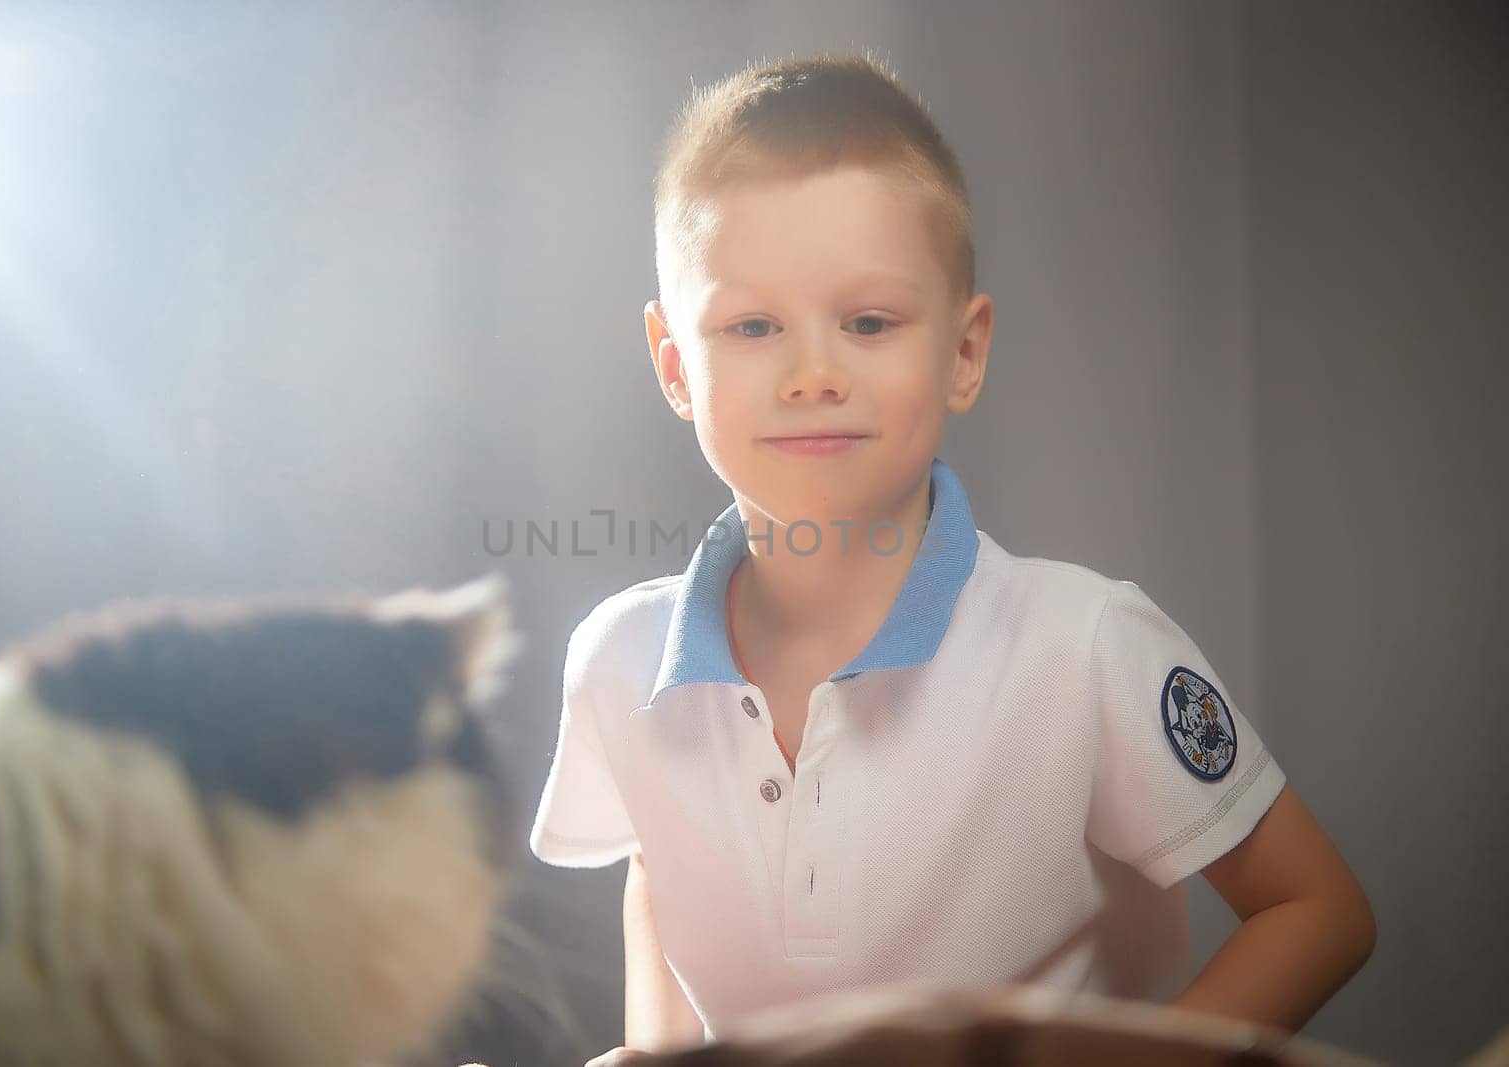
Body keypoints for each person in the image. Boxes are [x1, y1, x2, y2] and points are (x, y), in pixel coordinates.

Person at [528, 50, 1376, 1067]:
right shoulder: (616, 659)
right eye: (752, 326)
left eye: (869, 321)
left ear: (963, 350)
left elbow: (1317, 907)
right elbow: (659, 879)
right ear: (675, 365)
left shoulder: (1082, 644)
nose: (811, 374)